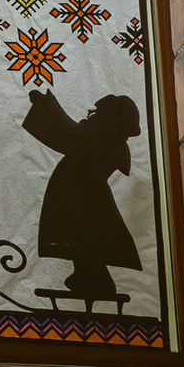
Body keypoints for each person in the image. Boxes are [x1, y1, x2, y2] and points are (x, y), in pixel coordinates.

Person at [21, 89, 142, 299]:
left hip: (84, 203)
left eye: (97, 112)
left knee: (85, 238)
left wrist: (47, 105)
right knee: (81, 240)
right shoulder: (101, 138)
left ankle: (93, 280)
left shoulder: (103, 139)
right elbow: (67, 130)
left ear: (109, 118)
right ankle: (86, 276)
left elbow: (65, 131)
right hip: (79, 199)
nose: (90, 114)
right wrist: (47, 105)